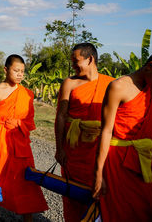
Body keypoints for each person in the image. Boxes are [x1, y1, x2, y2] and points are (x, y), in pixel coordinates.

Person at [93, 47, 152, 222]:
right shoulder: (119, 87)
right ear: (150, 66)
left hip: (144, 159)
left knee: (147, 209)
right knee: (120, 211)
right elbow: (106, 131)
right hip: (117, 161)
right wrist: (98, 173)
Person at [0, 54, 48, 222]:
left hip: (20, 138)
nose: (20, 74)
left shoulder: (27, 94)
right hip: (0, 136)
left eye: (22, 71)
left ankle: (27, 215)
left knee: (26, 176)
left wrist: (19, 123)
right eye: (16, 70)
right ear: (6, 70)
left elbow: (30, 121)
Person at [54, 43, 114, 221]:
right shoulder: (69, 83)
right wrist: (60, 148)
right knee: (72, 192)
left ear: (90, 59)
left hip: (100, 148)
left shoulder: (111, 84)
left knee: (100, 192)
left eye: (76, 61)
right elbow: (61, 117)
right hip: (74, 148)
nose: (72, 65)